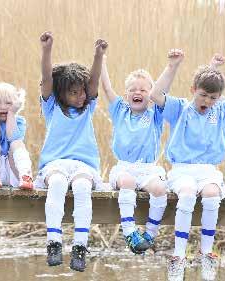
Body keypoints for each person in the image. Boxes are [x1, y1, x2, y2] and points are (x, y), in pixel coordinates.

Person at [150, 49, 225, 281]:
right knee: (187, 194)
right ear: (193, 91)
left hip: (208, 170)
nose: (207, 101)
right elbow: (156, 94)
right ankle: (178, 257)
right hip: (182, 169)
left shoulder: (222, 111)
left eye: (213, 97)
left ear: (219, 98)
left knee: (211, 195)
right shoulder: (180, 108)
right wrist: (173, 66)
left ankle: (207, 253)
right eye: (203, 95)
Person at [35, 31, 107, 272]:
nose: (81, 96)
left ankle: (79, 245)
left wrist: (98, 55)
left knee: (83, 188)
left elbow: (95, 80)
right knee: (56, 184)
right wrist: (47, 50)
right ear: (61, 93)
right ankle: (54, 241)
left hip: (83, 165)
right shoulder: (52, 106)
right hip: (55, 163)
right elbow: (46, 77)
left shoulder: (88, 108)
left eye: (82, 91)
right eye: (74, 92)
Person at [99, 56, 167, 254]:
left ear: (150, 94)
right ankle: (130, 232)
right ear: (126, 94)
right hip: (124, 167)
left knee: (160, 188)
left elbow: (161, 91)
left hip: (148, 169)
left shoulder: (155, 114)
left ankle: (150, 233)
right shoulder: (120, 110)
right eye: (133, 90)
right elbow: (107, 89)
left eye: (143, 90)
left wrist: (171, 64)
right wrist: (102, 61)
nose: (138, 92)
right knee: (127, 182)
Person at [0, 82, 33, 190]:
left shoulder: (20, 121)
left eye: (8, 103)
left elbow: (13, 137)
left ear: (16, 104)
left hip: (12, 169)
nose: (2, 107)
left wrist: (11, 114)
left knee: (17, 143)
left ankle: (25, 176)